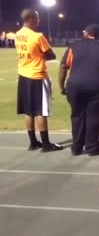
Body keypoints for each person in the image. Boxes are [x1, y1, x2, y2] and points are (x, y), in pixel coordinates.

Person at [59, 24, 99, 156]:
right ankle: (92, 148)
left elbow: (63, 66)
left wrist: (61, 86)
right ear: (98, 35)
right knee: (94, 117)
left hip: (75, 87)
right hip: (97, 87)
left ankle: (76, 147)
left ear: (86, 33)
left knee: (77, 116)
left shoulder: (73, 47)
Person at [15, 9, 64, 152]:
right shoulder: (37, 36)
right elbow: (51, 55)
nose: (38, 20)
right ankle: (46, 144)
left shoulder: (18, 35)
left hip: (23, 75)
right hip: (37, 76)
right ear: (30, 19)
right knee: (41, 111)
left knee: (27, 110)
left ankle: (33, 142)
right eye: (37, 18)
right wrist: (41, 56)